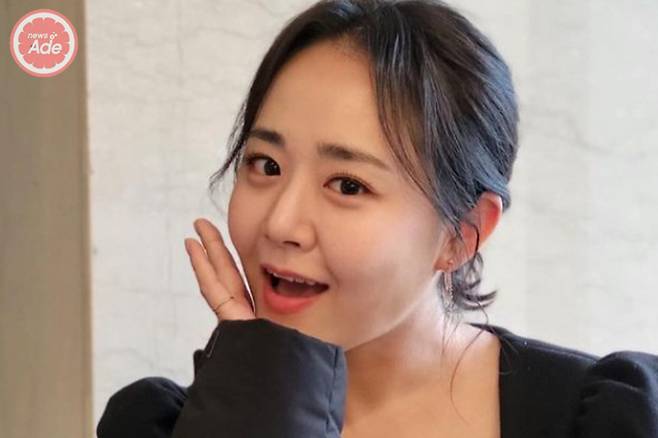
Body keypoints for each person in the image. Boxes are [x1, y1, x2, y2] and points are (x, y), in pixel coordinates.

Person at [96, 0, 658, 437]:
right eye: (266, 164)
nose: (281, 224)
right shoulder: (159, 428)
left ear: (461, 233)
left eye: (348, 185)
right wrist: (263, 399)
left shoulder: (610, 421)